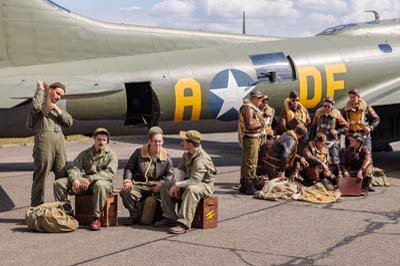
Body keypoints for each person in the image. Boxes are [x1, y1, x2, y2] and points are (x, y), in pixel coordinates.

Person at [53, 128, 118, 230]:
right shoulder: (85, 154)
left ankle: (96, 218)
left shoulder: (111, 155)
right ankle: (67, 214)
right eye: (99, 139)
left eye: (104, 140)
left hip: (103, 184)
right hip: (86, 183)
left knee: (100, 185)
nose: (101, 142)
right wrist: (75, 179)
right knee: (59, 183)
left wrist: (91, 179)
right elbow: (75, 168)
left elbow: (109, 173)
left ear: (107, 141)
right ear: (94, 139)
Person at [155, 130, 217, 234]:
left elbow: (195, 181)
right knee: (165, 185)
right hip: (189, 181)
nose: (181, 143)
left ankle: (184, 223)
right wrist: (176, 185)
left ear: (190, 144)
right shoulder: (187, 154)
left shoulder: (201, 159)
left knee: (191, 189)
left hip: (204, 185)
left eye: (183, 141)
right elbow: (181, 171)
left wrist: (177, 185)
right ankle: (169, 217)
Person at [30, 80, 73, 207]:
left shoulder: (56, 108)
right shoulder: (41, 103)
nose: (58, 97)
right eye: (57, 93)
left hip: (59, 145)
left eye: (61, 96)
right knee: (41, 176)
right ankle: (36, 208)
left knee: (62, 175)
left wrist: (57, 109)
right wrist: (39, 89)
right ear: (50, 90)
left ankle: (64, 206)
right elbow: (35, 107)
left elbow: (69, 122)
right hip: (44, 144)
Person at [120, 126, 174, 225]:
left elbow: (170, 175)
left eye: (160, 141)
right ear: (149, 141)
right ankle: (134, 215)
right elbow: (129, 168)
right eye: (155, 141)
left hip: (155, 186)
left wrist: (162, 183)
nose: (158, 144)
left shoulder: (166, 157)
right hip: (140, 184)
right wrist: (127, 180)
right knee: (125, 192)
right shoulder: (138, 153)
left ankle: (162, 216)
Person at [311, 97, 348, 176]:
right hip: (320, 140)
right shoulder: (319, 112)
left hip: (331, 141)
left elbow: (346, 126)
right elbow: (313, 126)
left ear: (332, 106)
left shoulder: (336, 114)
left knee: (334, 158)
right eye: (325, 106)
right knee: (317, 159)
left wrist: (337, 131)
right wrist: (311, 139)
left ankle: (338, 175)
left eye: (329, 106)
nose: (326, 108)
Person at [237, 89, 265, 195]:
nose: (261, 101)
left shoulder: (249, 107)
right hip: (251, 137)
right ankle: (249, 184)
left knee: (246, 161)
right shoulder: (249, 108)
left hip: (249, 137)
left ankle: (244, 183)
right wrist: (261, 124)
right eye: (260, 99)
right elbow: (249, 124)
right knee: (251, 161)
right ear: (254, 98)